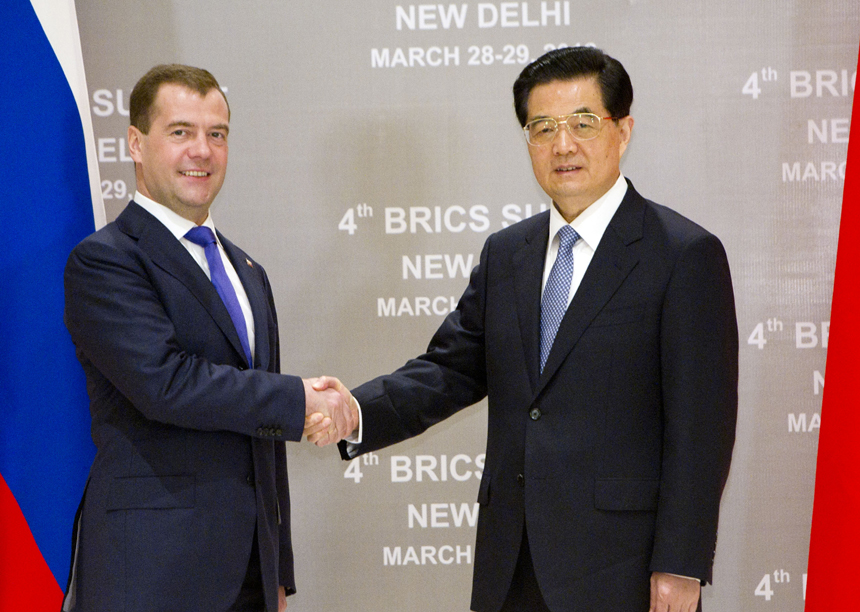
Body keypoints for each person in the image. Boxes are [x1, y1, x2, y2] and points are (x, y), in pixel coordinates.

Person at [317, 47, 738, 612]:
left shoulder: (682, 254)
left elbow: (701, 429)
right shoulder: (506, 254)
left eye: (583, 123)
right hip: (510, 565)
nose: (562, 145)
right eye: (542, 128)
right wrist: (354, 410)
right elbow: (448, 371)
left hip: (623, 570)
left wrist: (681, 564)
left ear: (623, 130)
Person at [62, 64, 356, 612]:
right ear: (135, 143)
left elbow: (260, 440)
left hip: (248, 577)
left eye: (216, 134)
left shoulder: (247, 269)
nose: (202, 150)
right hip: (149, 575)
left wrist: (278, 571)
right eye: (180, 132)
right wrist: (300, 399)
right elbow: (165, 384)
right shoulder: (105, 260)